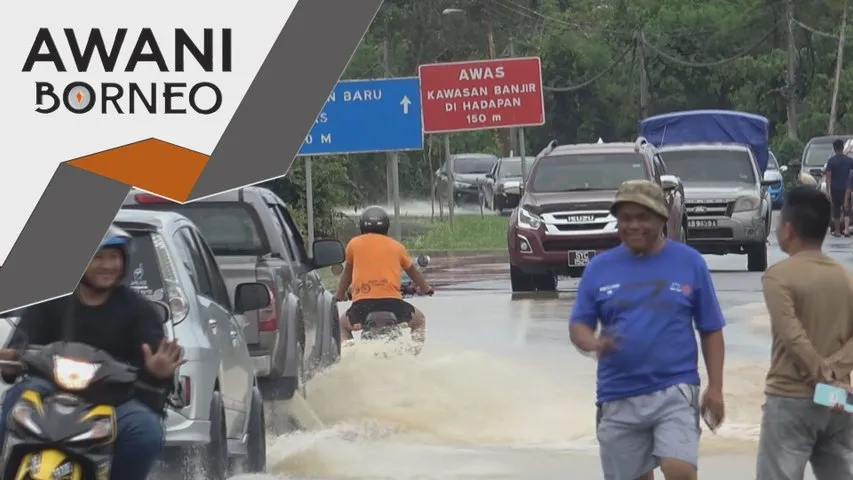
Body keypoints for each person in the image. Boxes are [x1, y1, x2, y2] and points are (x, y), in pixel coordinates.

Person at [0, 225, 186, 480]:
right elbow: (18, 348)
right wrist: (10, 363)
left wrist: (156, 372)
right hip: (49, 392)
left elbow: (158, 371)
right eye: (98, 257)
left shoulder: (139, 310)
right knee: (14, 401)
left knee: (146, 431)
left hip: (114, 398)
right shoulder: (51, 301)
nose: (107, 265)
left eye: (114, 257)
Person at [569, 180, 726, 480]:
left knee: (679, 469)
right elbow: (579, 325)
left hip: (675, 389)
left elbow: (710, 328)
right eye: (626, 218)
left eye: (643, 218)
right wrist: (594, 342)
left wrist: (716, 388)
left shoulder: (689, 263)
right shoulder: (599, 269)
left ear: (662, 219)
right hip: (617, 395)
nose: (634, 226)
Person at [757, 186, 853, 480]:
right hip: (840, 397)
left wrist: (820, 372)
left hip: (790, 396)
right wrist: (833, 373)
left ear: (787, 230)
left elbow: (792, 336)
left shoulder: (777, 276)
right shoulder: (845, 277)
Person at [333, 206, 433, 344]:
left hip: (362, 305)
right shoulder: (397, 246)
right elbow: (413, 272)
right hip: (393, 304)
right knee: (419, 320)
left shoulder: (353, 244)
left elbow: (347, 274)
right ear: (386, 227)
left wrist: (339, 294)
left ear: (362, 226)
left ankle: (351, 354)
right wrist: (426, 288)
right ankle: (413, 356)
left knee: (342, 325)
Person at [822, 139, 853, 237]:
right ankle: (847, 230)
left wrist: (828, 190)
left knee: (836, 208)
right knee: (846, 207)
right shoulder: (849, 161)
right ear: (843, 148)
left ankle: (837, 231)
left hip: (835, 188)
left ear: (834, 149)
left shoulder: (831, 161)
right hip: (847, 187)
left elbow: (828, 176)